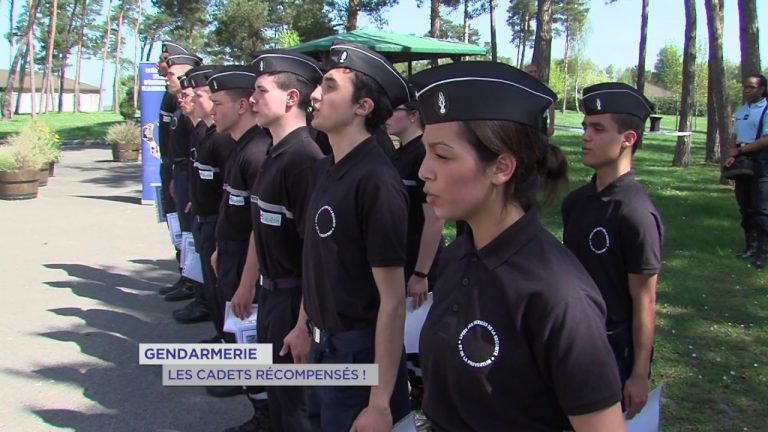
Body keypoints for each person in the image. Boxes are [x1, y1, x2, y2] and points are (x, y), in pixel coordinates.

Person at [412, 61, 625, 431]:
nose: (423, 171)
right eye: (425, 152)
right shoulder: (458, 256)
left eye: (442, 155)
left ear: (501, 167)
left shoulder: (558, 294)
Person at [302, 42, 411, 431]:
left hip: (358, 356)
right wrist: (302, 324)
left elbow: (393, 302)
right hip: (322, 348)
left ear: (363, 107)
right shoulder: (325, 170)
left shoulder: (376, 181)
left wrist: (379, 403)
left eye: (330, 86)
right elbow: (317, 262)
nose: (315, 95)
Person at [229, 49, 325, 432]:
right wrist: (248, 282)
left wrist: (304, 325)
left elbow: (315, 255)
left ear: (291, 98)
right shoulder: (274, 152)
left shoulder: (304, 160)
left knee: (298, 408)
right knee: (280, 401)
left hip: (294, 302)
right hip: (271, 298)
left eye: (261, 91)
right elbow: (261, 228)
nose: (252, 99)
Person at [561, 82, 663, 419]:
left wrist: (639, 374)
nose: (585, 136)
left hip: (611, 351)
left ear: (628, 139)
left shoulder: (635, 213)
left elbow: (645, 300)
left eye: (598, 128)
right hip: (571, 340)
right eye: (585, 127)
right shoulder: (576, 203)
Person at [206, 65, 273, 430]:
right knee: (239, 336)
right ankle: (257, 404)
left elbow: (258, 227)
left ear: (242, 106)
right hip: (231, 256)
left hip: (250, 264)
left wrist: (247, 281)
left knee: (253, 341)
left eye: (218, 103)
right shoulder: (238, 146)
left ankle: (266, 414)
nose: (212, 110)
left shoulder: (258, 152)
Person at [384, 97, 443, 410]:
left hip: (419, 258)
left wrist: (421, 272)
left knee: (419, 335)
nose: (387, 116)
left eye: (394, 111)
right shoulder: (400, 153)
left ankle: (427, 401)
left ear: (413, 116)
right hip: (401, 254)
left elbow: (434, 219)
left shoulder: (421, 154)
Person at [175, 65, 238, 327]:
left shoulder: (222, 140)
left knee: (221, 286)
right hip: (204, 216)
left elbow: (226, 185)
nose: (188, 100)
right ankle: (217, 326)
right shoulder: (203, 132)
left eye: (197, 95)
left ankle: (225, 334)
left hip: (216, 219)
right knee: (210, 283)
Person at [163, 51, 206, 303]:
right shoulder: (180, 109)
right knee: (184, 232)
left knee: (192, 233)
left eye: (172, 74)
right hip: (179, 171)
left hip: (188, 174)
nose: (167, 78)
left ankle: (195, 287)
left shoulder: (192, 115)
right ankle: (188, 277)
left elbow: (195, 154)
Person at [725, 74, 768, 268]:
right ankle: (749, 246)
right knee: (745, 205)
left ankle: (762, 252)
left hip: (761, 160)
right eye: (745, 87)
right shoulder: (742, 109)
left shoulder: (766, 109)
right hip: (742, 160)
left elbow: (766, 139)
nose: (746, 90)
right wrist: (731, 153)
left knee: (761, 207)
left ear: (762, 89)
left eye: (751, 87)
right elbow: (735, 135)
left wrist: (741, 151)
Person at [156, 41, 184, 296]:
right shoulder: (169, 93)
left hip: (179, 168)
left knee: (185, 228)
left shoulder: (181, 98)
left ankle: (192, 281)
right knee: (174, 223)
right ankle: (185, 273)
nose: (160, 65)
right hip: (169, 165)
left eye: (165, 60)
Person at [524, 63, 556, 137]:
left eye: (535, 72)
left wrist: (551, 125)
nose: (533, 74)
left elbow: (551, 105)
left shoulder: (543, 87)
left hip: (540, 121)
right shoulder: (520, 87)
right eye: (530, 72)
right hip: (525, 121)